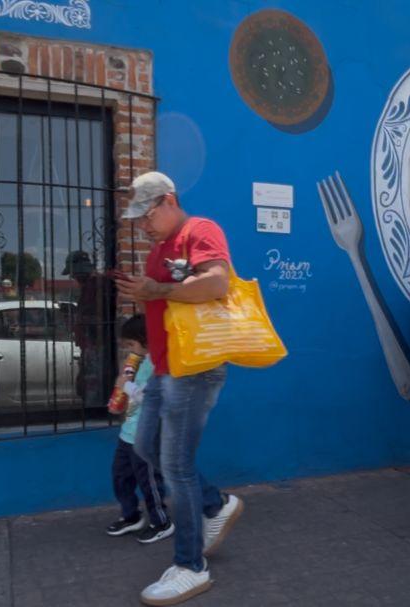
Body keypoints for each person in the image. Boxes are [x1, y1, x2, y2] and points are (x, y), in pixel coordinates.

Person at [114, 171, 243, 606]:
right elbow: (165, 300)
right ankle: (215, 504)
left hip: (196, 369)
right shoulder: (159, 251)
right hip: (165, 368)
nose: (143, 226)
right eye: (138, 220)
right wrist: (145, 292)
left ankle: (191, 566)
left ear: (169, 200)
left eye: (147, 215)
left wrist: (158, 289)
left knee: (176, 466)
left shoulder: (199, 230)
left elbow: (216, 283)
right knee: (147, 447)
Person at [106, 314, 174, 545]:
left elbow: (153, 396)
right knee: (120, 476)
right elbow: (128, 393)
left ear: (147, 340)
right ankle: (131, 515)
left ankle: (161, 521)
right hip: (128, 432)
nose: (130, 350)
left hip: (147, 434)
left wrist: (128, 386)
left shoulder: (160, 363)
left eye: (132, 344)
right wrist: (120, 392)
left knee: (149, 481)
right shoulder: (139, 362)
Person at [63, 250, 105, 409]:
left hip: (94, 344)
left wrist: (79, 320)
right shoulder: (90, 286)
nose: (73, 278)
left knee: (91, 382)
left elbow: (99, 316)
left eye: (73, 274)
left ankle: (93, 411)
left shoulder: (96, 286)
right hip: (88, 344)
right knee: (86, 381)